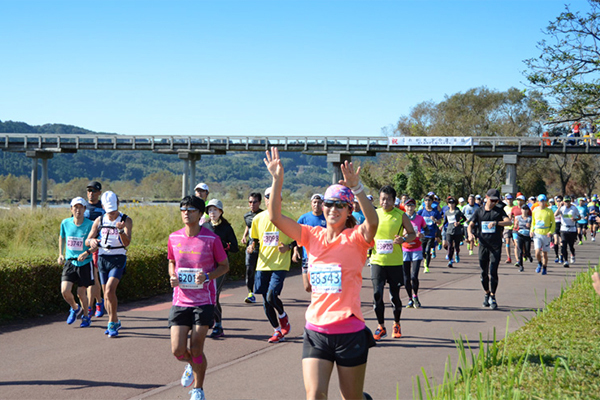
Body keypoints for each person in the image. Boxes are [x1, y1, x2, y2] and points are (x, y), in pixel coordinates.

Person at [263, 146, 378, 400]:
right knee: (315, 395)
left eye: (339, 205)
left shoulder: (356, 238)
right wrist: (277, 179)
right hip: (316, 331)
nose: (332, 209)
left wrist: (357, 189)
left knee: (352, 397)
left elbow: (372, 224)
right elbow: (275, 217)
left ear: (349, 210)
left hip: (350, 332)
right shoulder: (309, 235)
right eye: (328, 204)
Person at [168, 196, 229, 400]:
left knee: (196, 348)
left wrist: (207, 276)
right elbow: (171, 260)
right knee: (177, 350)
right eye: (183, 209)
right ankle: (190, 364)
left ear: (200, 214)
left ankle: (198, 389)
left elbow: (224, 266)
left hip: (204, 301)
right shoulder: (174, 237)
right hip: (180, 300)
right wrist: (172, 275)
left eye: (191, 209)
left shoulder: (211, 239)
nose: (186, 212)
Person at [248, 187, 295, 343]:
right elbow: (254, 238)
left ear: (280, 200)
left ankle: (283, 316)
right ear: (265, 200)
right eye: (268, 197)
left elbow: (298, 240)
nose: (270, 200)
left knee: (271, 296)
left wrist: (288, 248)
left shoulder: (288, 217)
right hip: (263, 264)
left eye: (274, 197)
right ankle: (276, 330)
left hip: (280, 263)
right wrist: (252, 245)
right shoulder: (258, 219)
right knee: (265, 301)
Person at [369, 185, 416, 340]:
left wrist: (403, 239)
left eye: (388, 199)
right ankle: (380, 326)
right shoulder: (374, 214)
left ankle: (396, 323)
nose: (385, 202)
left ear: (394, 200)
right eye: (382, 198)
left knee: (394, 296)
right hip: (377, 261)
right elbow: (365, 233)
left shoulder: (401, 215)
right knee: (377, 294)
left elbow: (412, 234)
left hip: (395, 262)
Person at [85, 191, 132, 338]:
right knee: (106, 295)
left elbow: (127, 243)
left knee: (110, 290)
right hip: (103, 257)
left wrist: (120, 231)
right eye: (109, 211)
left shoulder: (126, 219)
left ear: (118, 205)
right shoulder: (99, 220)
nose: (111, 214)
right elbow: (88, 240)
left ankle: (112, 322)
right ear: (103, 206)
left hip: (118, 258)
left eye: (114, 210)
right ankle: (115, 320)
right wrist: (92, 242)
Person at [467, 189, 511, 310]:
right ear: (486, 198)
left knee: (493, 271)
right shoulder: (479, 211)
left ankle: (493, 296)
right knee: (483, 273)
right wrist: (470, 234)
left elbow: (508, 222)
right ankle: (486, 293)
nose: (493, 203)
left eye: (496, 201)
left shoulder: (498, 211)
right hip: (483, 245)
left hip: (495, 246)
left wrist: (497, 223)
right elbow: (470, 224)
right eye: (492, 200)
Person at [203, 199, 238, 338]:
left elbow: (235, 247)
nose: (212, 213)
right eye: (210, 210)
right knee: (207, 295)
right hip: (207, 265)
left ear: (221, 212)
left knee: (214, 295)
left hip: (221, 266)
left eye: (215, 210)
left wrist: (224, 245)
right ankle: (210, 318)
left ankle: (218, 325)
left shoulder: (226, 228)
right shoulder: (204, 226)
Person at [58, 197, 95, 328]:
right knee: (65, 291)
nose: (78, 210)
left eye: (81, 207)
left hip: (85, 263)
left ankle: (86, 316)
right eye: (75, 207)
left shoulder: (90, 224)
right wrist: (61, 254)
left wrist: (87, 253)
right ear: (71, 209)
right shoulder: (65, 223)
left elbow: (96, 244)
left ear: (84, 209)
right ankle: (75, 308)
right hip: (70, 262)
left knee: (81, 292)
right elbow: (61, 237)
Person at [294, 194, 327, 290]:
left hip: (323, 256)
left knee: (320, 285)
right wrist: (295, 251)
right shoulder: (304, 218)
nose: (317, 205)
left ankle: (318, 302)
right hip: (307, 256)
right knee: (307, 287)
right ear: (311, 204)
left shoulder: (327, 218)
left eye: (319, 202)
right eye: (315, 202)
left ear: (323, 204)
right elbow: (295, 234)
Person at [85, 181, 106, 318]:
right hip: (83, 245)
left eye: (94, 191)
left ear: (99, 193)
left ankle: (90, 307)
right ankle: (99, 302)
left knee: (93, 276)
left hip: (97, 247)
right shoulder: (82, 206)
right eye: (89, 190)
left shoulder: (103, 208)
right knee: (90, 278)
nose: (91, 193)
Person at [402, 198, 427, 308]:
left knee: (414, 276)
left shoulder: (420, 218)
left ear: (415, 207)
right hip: (405, 249)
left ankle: (415, 295)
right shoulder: (401, 218)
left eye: (412, 206)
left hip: (417, 249)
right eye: (408, 206)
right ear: (405, 207)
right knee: (406, 277)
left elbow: (427, 230)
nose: (410, 208)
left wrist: (422, 235)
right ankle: (410, 299)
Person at [241, 192, 263, 303]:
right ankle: (250, 293)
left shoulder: (264, 215)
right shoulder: (247, 216)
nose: (252, 204)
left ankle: (265, 292)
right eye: (250, 202)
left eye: (254, 202)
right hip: (250, 247)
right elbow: (249, 226)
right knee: (249, 269)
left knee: (260, 271)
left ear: (259, 202)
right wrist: (244, 236)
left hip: (263, 248)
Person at [530, 194, 555, 275]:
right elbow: (533, 222)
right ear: (538, 202)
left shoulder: (549, 211)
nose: (542, 203)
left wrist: (550, 232)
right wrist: (531, 230)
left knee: (544, 253)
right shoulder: (535, 211)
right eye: (541, 201)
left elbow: (553, 224)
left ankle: (544, 267)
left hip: (546, 234)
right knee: (537, 252)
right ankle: (539, 263)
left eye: (544, 201)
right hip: (537, 234)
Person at [417, 196, 443, 273]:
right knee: (422, 252)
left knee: (428, 251)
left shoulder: (435, 212)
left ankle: (426, 266)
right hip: (422, 234)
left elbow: (439, 222)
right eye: (426, 200)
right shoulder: (421, 212)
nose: (427, 202)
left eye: (429, 200)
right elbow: (416, 220)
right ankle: (425, 259)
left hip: (431, 234)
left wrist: (434, 220)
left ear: (432, 202)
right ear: (424, 202)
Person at [555, 195, 580, 268]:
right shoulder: (562, 209)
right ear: (563, 202)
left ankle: (572, 254)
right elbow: (555, 215)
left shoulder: (574, 208)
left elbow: (579, 217)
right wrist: (559, 207)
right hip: (563, 229)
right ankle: (566, 261)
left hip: (572, 229)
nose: (567, 203)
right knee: (564, 245)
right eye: (566, 202)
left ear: (570, 201)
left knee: (571, 245)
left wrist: (575, 219)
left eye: (568, 201)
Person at [443, 197, 466, 268]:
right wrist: (442, 227)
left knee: (456, 246)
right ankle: (450, 260)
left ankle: (457, 254)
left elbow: (464, 219)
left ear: (455, 204)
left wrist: (459, 223)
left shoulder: (457, 211)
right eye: (450, 203)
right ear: (448, 204)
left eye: (453, 203)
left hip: (457, 231)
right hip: (449, 231)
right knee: (449, 246)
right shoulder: (446, 213)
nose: (451, 204)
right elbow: (445, 222)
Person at [514, 204, 532, 272]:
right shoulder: (518, 217)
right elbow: (515, 227)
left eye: (525, 209)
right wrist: (516, 224)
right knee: (520, 251)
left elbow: (533, 227)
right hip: (520, 235)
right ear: (521, 210)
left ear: (527, 210)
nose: (524, 211)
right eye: (523, 209)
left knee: (527, 250)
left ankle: (528, 255)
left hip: (527, 236)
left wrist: (529, 226)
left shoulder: (530, 218)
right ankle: (521, 266)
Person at [502, 194, 515, 264]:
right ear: (506, 200)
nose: (509, 201)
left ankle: (518, 256)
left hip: (514, 227)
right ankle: (509, 257)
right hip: (506, 227)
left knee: (515, 243)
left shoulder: (515, 208)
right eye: (508, 199)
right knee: (507, 242)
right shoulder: (504, 208)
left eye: (511, 199)